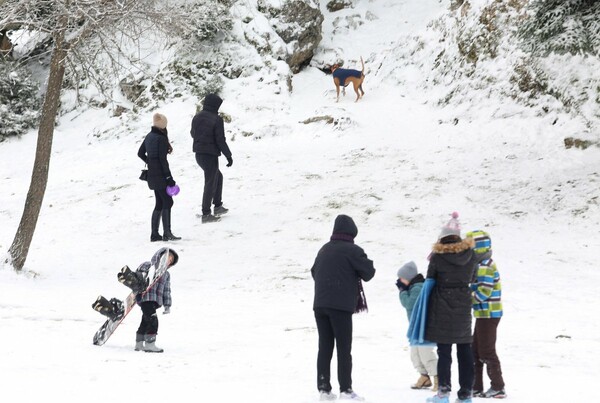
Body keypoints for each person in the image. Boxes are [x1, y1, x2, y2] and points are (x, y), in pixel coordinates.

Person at [311, 214, 376, 401]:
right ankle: (346, 390)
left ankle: (324, 389)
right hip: (340, 307)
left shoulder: (324, 249)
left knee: (325, 347)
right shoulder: (353, 250)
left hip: (320, 305)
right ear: (351, 233)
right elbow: (369, 273)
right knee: (343, 348)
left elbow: (314, 271)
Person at [425, 212, 478, 403]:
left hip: (442, 305)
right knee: (465, 351)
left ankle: (443, 393)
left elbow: (430, 278)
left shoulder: (438, 257)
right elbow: (473, 278)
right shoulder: (471, 255)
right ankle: (465, 394)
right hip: (463, 305)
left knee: (444, 352)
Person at [466, 230, 506, 399]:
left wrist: (467, 299)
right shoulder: (479, 265)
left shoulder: (486, 266)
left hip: (490, 314)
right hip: (483, 314)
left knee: (486, 351)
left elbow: (484, 292)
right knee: (475, 350)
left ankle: (498, 386)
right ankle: (476, 386)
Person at [190, 93, 233, 224]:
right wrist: (228, 155)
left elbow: (193, 133)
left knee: (217, 177)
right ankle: (206, 213)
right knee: (210, 182)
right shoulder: (216, 119)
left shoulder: (196, 117)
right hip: (210, 155)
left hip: (199, 154)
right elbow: (220, 140)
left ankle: (218, 205)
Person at [138, 112, 181, 241]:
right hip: (161, 175)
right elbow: (163, 160)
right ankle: (166, 233)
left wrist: (150, 162)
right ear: (163, 126)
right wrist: (169, 178)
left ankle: (154, 234)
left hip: (152, 174)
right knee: (168, 201)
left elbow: (140, 153)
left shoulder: (149, 136)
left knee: (159, 202)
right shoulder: (161, 139)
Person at [397, 261, 438, 392]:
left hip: (423, 327)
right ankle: (424, 377)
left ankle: (438, 378)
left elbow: (409, 304)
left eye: (402, 278)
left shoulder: (418, 287)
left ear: (408, 278)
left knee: (425, 353)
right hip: (415, 328)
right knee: (415, 354)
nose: (400, 281)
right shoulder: (413, 287)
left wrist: (402, 291)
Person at [135, 247, 179, 353]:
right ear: (161, 255)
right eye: (169, 257)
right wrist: (137, 291)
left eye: (171, 261)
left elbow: (167, 291)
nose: (169, 260)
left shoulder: (166, 274)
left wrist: (167, 305)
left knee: (145, 321)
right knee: (153, 320)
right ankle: (150, 344)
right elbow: (137, 277)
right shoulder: (148, 265)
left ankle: (139, 343)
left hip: (155, 301)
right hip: (145, 298)